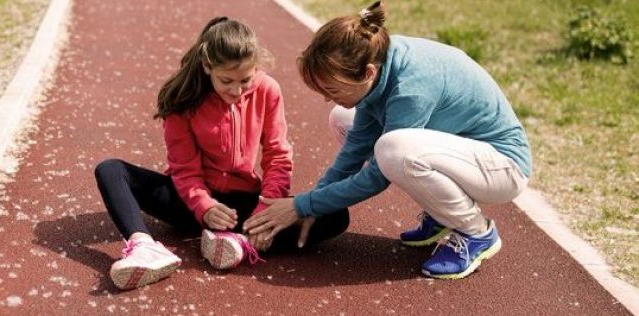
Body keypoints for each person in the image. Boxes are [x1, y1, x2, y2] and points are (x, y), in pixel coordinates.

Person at [244, 1, 531, 280]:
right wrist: (313, 206)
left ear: (368, 72)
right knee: (342, 118)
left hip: (501, 168)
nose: (326, 97)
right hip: (461, 154)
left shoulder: (411, 87)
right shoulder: (378, 63)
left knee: (393, 150)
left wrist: (303, 205)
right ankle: (443, 214)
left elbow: (377, 176)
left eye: (331, 88)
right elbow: (354, 152)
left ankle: (476, 232)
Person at [94, 16, 349, 290]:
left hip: (244, 207)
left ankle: (239, 242)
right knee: (110, 169)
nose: (237, 90)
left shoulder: (268, 90)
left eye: (245, 80)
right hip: (190, 204)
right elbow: (184, 169)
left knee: (335, 214)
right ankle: (145, 247)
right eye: (226, 80)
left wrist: (267, 211)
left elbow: (277, 155)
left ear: (256, 68)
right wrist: (204, 207)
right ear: (207, 66)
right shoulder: (183, 99)